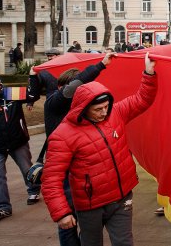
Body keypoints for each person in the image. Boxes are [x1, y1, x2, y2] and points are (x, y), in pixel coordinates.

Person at [42, 53, 157, 246]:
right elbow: (51, 178)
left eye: (106, 106)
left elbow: (142, 99)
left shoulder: (115, 113)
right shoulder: (63, 135)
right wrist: (61, 213)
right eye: (98, 109)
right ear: (83, 107)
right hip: (90, 206)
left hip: (121, 199)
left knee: (124, 243)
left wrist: (149, 73)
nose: (104, 112)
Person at [44, 53, 114, 245]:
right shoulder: (55, 103)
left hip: (84, 171)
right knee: (68, 218)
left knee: (86, 217)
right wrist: (101, 65)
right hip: (66, 171)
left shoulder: (84, 109)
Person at [0, 71, 41, 221]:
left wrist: (33, 77)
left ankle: (33, 191)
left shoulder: (10, 93)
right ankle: (3, 207)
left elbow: (33, 95)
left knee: (27, 169)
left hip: (17, 141)